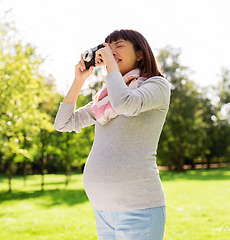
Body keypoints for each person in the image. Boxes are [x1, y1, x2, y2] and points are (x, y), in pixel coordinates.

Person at [54, 29, 171, 240]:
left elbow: (125, 104)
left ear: (140, 54)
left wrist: (110, 64)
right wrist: (79, 80)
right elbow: (63, 123)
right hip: (103, 209)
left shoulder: (156, 85)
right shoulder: (104, 99)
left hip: (139, 207)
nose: (110, 50)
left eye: (118, 45)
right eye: (107, 46)